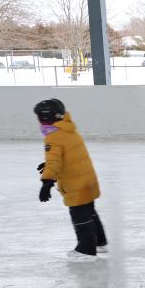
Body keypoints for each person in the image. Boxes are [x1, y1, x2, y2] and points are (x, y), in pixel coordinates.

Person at [33, 98, 107, 262]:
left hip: (75, 183)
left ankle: (86, 250)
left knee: (79, 215)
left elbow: (55, 162)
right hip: (87, 179)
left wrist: (47, 182)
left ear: (45, 118)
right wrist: (48, 165)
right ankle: (101, 242)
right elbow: (68, 154)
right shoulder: (69, 129)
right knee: (90, 211)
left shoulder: (53, 136)